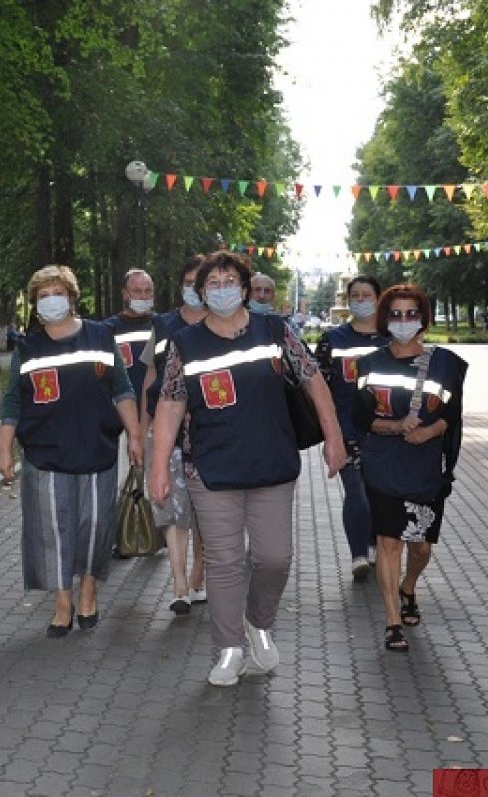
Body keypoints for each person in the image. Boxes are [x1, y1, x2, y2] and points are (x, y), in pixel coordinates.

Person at [149, 250, 346, 686]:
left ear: (243, 287)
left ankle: (259, 623)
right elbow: (170, 403)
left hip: (271, 465)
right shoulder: (187, 343)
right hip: (211, 471)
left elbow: (314, 379)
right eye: (212, 283)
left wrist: (334, 438)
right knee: (224, 561)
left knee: (275, 558)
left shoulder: (275, 332)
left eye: (229, 281)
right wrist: (158, 467)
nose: (222, 289)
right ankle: (230, 648)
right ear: (201, 293)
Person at [0, 265, 143, 638]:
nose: (51, 301)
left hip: (97, 448)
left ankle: (89, 590)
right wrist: (3, 449)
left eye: (57, 292)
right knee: (53, 529)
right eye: (42, 295)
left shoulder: (100, 336)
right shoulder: (28, 348)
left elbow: (122, 390)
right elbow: (12, 402)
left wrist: (137, 437)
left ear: (72, 297)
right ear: (34, 304)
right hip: (45, 454)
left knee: (93, 524)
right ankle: (63, 603)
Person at [353, 284, 467, 654]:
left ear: (423, 317)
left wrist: (432, 429)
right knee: (389, 541)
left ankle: (408, 586)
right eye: (396, 314)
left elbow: (452, 415)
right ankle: (391, 620)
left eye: (411, 314)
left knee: (420, 547)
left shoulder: (446, 364)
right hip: (383, 464)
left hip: (425, 467)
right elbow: (361, 418)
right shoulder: (369, 365)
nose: (404, 321)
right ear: (386, 318)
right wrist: (394, 427)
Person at [138, 256, 207, 615]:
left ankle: (198, 575)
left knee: (206, 512)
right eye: (189, 280)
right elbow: (149, 376)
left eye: (201, 281)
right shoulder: (162, 325)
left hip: (210, 433)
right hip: (165, 430)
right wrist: (139, 429)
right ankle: (179, 585)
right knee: (171, 506)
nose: (194, 288)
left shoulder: (219, 325)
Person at [313, 275, 390, 581]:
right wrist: (327, 432)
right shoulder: (333, 340)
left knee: (379, 493)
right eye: (354, 295)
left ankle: (373, 543)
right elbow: (317, 386)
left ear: (378, 298)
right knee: (356, 489)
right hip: (347, 430)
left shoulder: (392, 340)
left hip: (386, 432)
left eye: (366, 295)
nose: (360, 300)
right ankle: (359, 553)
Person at [103, 268, 156, 397]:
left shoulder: (163, 325)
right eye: (137, 291)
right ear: (125, 294)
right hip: (121, 406)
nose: (143, 297)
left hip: (157, 407)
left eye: (148, 291)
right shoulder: (107, 329)